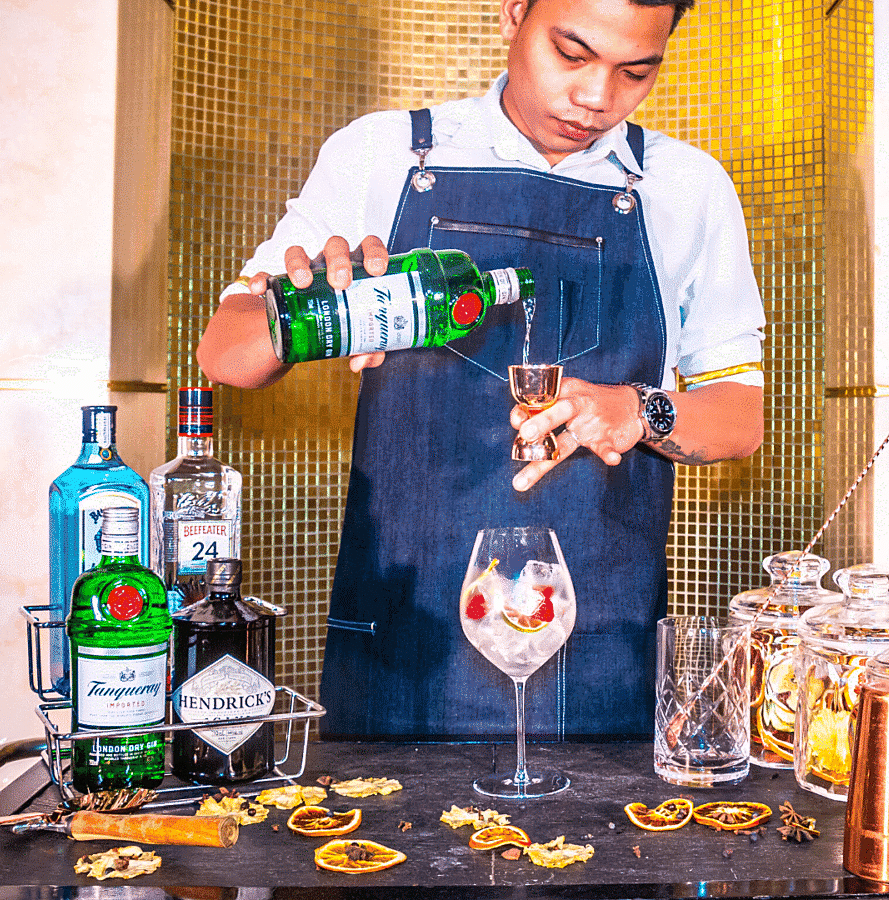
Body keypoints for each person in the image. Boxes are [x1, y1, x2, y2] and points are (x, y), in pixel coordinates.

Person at [197, 0, 765, 739]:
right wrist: (307, 315)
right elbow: (224, 354)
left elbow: (740, 417)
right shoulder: (385, 154)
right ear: (513, 13)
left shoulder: (687, 188)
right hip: (406, 640)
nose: (596, 99)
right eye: (571, 54)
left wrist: (637, 409)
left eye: (636, 72)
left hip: (597, 645)